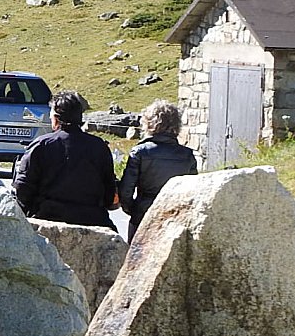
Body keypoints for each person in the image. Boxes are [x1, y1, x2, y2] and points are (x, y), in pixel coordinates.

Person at [12, 90, 117, 228]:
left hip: (47, 217)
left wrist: (29, 211)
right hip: (92, 218)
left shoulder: (41, 145)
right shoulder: (99, 146)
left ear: (56, 118)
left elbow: (23, 185)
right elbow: (109, 187)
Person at [118, 99, 198, 240]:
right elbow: (193, 192)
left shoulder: (140, 152)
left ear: (149, 123)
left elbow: (126, 191)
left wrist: (133, 209)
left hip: (143, 214)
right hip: (174, 216)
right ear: (176, 125)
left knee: (137, 252)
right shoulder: (187, 155)